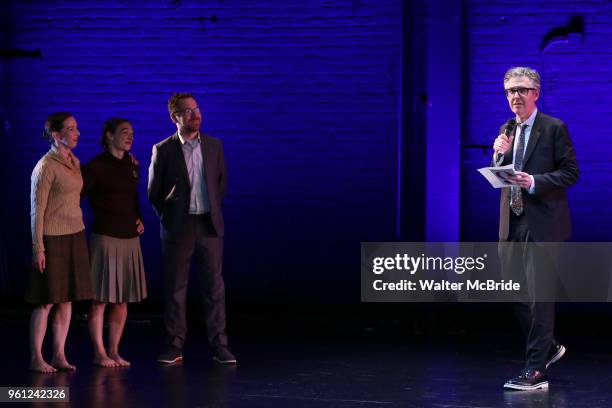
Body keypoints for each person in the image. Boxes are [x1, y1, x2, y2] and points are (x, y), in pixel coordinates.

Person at [492, 67, 579, 391]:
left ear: (535, 93)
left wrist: (535, 182)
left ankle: (536, 370)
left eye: (521, 90)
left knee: (540, 296)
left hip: (542, 222)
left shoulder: (553, 128)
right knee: (513, 291)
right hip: (511, 221)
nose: (515, 96)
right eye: (509, 91)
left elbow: (570, 172)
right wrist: (498, 154)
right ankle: (550, 348)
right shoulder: (506, 128)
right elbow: (503, 173)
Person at [148, 93, 236, 365]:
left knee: (214, 288)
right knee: (176, 288)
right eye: (187, 111)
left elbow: (220, 184)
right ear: (175, 117)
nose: (195, 114)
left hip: (208, 224)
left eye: (197, 109)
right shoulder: (163, 149)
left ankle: (220, 345)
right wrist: (171, 217)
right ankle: (174, 345)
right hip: (179, 226)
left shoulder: (214, 146)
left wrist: (210, 209)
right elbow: (154, 192)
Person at [27, 112, 94, 373]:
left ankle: (59, 355)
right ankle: (36, 357)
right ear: (56, 135)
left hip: (75, 235)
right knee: (47, 300)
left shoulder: (74, 162)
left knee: (67, 300)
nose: (77, 133)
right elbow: (37, 210)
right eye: (71, 129)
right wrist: (38, 247)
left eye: (77, 128)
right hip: (52, 239)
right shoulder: (45, 167)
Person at [82, 118, 147, 368]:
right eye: (124, 132)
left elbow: (133, 197)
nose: (130, 136)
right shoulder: (96, 166)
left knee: (122, 300)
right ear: (109, 136)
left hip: (129, 238)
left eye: (132, 132)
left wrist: (139, 218)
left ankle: (114, 350)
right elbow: (76, 194)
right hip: (106, 238)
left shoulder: (132, 165)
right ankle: (99, 352)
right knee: (100, 299)